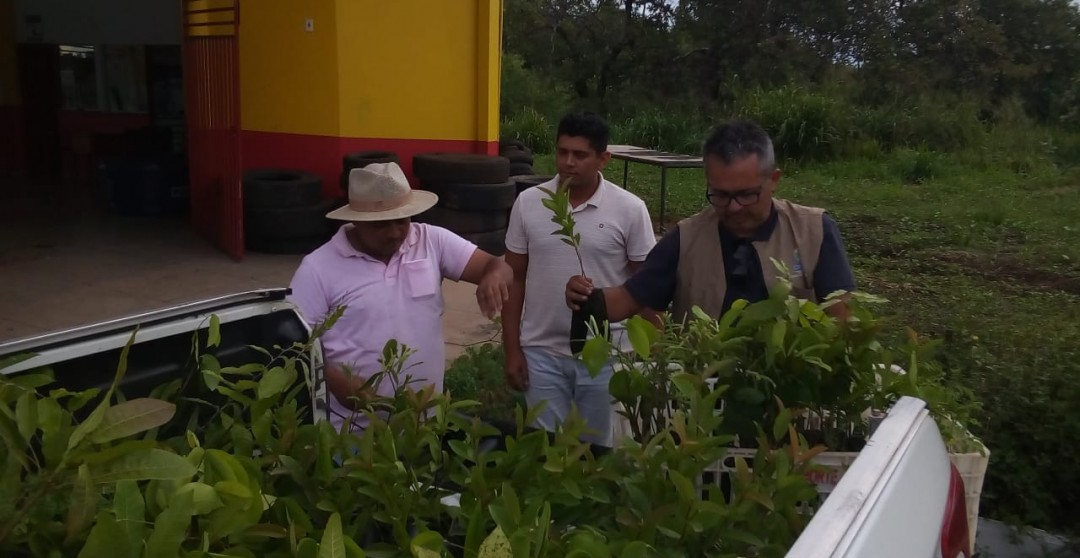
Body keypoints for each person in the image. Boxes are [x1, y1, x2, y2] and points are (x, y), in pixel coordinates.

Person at [288, 161, 514, 431]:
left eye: (402, 220)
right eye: (381, 225)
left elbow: (497, 265)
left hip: (424, 423)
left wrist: (494, 277)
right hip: (352, 432)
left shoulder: (431, 241)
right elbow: (295, 345)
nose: (395, 232)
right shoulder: (318, 269)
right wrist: (335, 382)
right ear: (356, 220)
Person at [565, 119, 857, 325]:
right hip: (708, 394)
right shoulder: (686, 239)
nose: (733, 208)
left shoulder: (814, 231)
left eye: (746, 195)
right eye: (720, 195)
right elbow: (629, 298)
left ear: (774, 180)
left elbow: (842, 322)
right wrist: (587, 298)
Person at [502, 111, 657, 446]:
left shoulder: (629, 209)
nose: (568, 162)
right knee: (544, 452)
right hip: (541, 352)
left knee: (598, 453)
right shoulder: (529, 203)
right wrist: (512, 348)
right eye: (562, 152)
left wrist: (653, 353)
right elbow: (514, 278)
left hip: (607, 356)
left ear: (604, 159)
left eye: (580, 155)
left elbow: (647, 286)